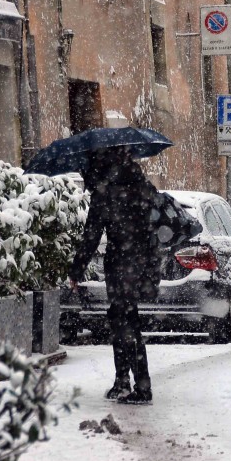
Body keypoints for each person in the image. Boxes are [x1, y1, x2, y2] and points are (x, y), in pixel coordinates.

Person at [68, 148, 162, 405]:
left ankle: (139, 385)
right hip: (143, 264)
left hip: (121, 265)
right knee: (125, 319)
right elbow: (154, 224)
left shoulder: (105, 193)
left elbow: (92, 235)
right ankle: (124, 381)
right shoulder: (141, 186)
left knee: (124, 322)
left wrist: (76, 269)